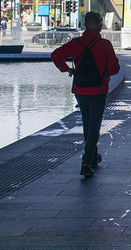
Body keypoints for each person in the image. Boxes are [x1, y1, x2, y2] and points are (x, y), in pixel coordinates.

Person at [51, 11, 120, 178]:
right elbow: (114, 69)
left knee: (87, 123)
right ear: (101, 25)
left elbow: (56, 55)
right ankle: (86, 161)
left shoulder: (77, 43)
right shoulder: (104, 44)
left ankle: (93, 156)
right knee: (94, 126)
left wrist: (68, 69)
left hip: (80, 89)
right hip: (98, 90)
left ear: (84, 25)